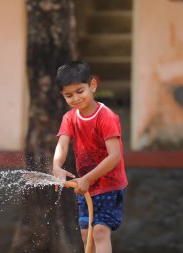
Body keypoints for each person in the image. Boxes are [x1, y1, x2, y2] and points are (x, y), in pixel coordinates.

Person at [52, 60, 128, 253]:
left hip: (109, 185)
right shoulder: (70, 118)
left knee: (101, 231)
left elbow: (115, 157)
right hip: (86, 186)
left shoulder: (106, 117)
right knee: (86, 234)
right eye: (69, 95)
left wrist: (86, 178)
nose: (76, 98)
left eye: (80, 91)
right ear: (63, 96)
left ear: (92, 85)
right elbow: (62, 145)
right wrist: (57, 166)